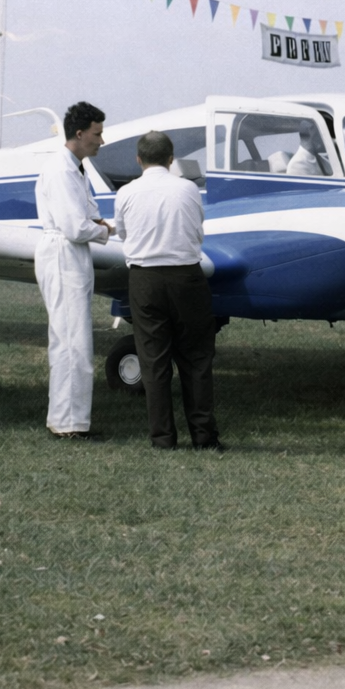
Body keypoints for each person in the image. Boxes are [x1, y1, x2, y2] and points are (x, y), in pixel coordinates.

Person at [113, 131, 221, 451]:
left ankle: (162, 438)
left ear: (138, 159)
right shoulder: (188, 189)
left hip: (145, 279)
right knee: (197, 359)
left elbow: (122, 232)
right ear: (171, 158)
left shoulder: (127, 193)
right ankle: (204, 437)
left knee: (154, 362)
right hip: (187, 276)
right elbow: (198, 226)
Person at [35, 102, 114, 440]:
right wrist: (104, 231)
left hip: (72, 255)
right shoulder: (63, 170)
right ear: (80, 134)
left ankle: (67, 419)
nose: (101, 140)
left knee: (72, 339)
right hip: (64, 253)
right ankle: (68, 424)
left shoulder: (76, 169)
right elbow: (75, 227)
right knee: (72, 342)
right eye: (97, 134)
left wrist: (95, 225)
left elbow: (88, 217)